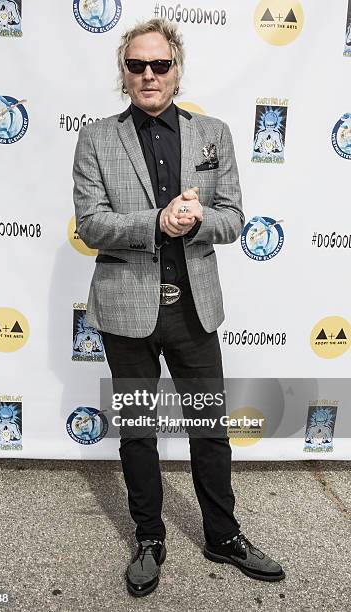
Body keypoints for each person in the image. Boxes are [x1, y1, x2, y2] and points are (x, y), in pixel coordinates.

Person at [73, 18, 285, 597]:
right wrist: (156, 221)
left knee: (209, 431)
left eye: (159, 65)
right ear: (124, 72)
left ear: (176, 69)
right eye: (137, 65)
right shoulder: (95, 138)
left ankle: (222, 535)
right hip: (126, 311)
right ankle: (149, 538)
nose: (148, 75)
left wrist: (194, 222)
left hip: (194, 310)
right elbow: (91, 225)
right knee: (139, 432)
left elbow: (235, 218)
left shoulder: (212, 132)